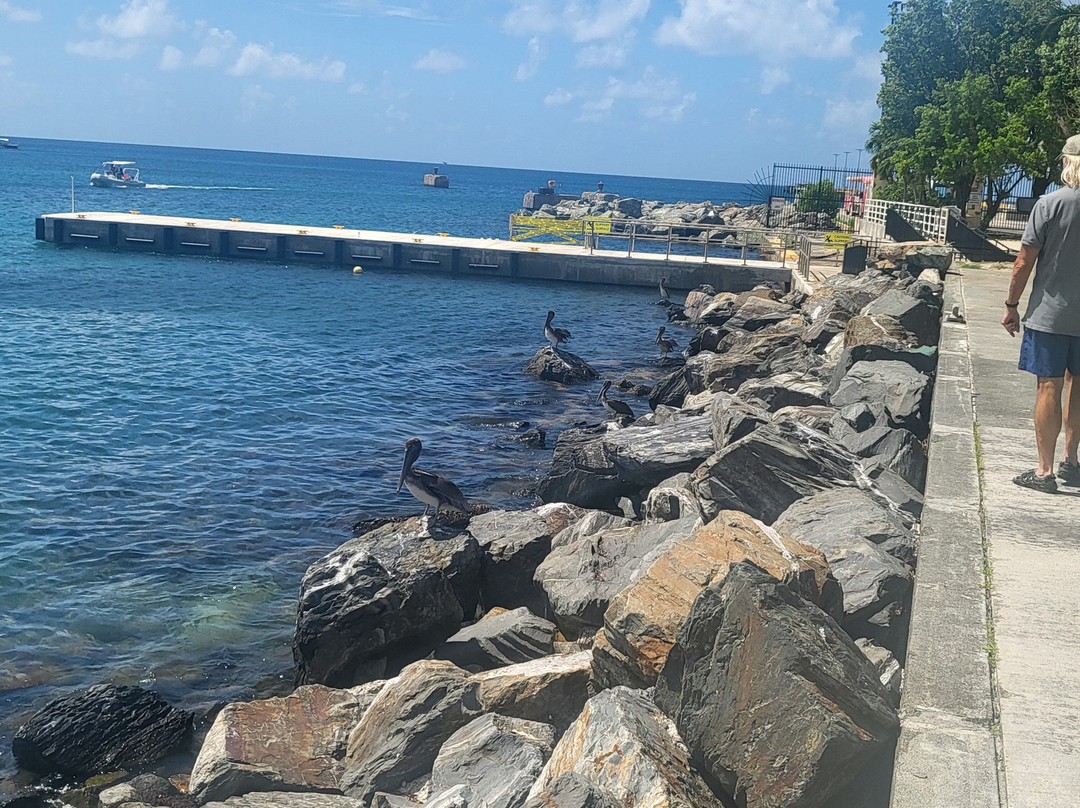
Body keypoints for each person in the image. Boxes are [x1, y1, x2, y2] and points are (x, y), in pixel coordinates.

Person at [1002, 133, 1080, 493]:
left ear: (1067, 163)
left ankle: (1044, 471)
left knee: (1049, 385)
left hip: (1051, 315)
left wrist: (1011, 305)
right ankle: (1071, 461)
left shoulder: (1049, 205)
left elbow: (1024, 262)